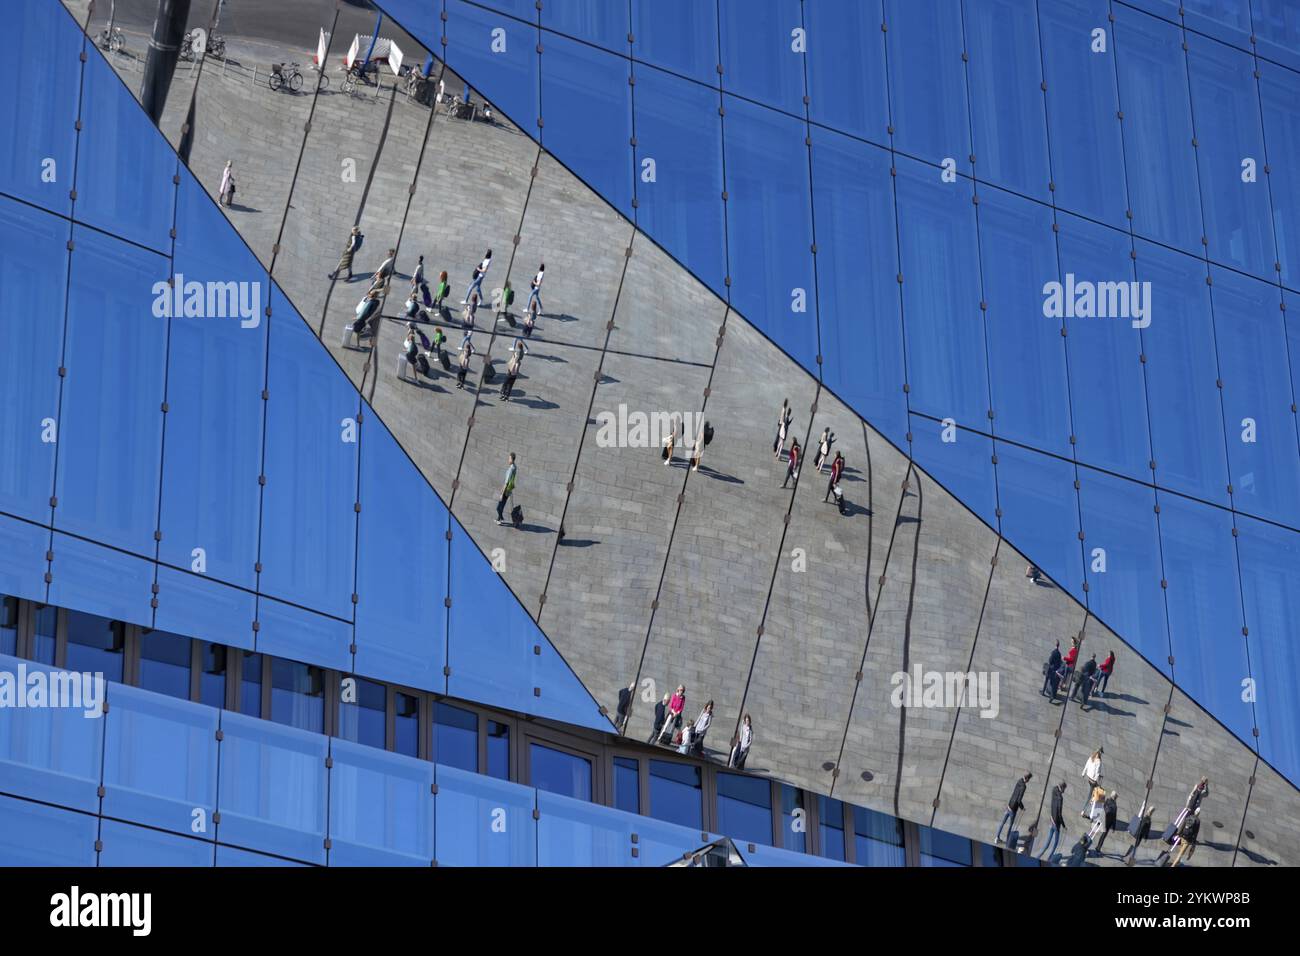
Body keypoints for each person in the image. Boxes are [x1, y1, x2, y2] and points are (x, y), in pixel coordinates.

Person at [995, 771, 1032, 845]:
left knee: (1002, 822)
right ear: (1027, 778)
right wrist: (1022, 808)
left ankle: (996, 837)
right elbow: (1019, 800)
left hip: (1009, 805)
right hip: (1013, 808)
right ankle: (1008, 840)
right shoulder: (1024, 786)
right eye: (1029, 779)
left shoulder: (1019, 780)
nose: (1029, 781)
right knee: (1010, 825)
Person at [1039, 781, 1066, 862]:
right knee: (1056, 842)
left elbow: (1053, 805)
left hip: (1051, 819)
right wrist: (1064, 825)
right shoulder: (1060, 798)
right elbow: (1059, 814)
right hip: (1056, 823)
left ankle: (1039, 855)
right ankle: (1049, 858)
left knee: (1048, 840)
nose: (1064, 791)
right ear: (1062, 788)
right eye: (1064, 789)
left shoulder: (1054, 789)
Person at [1124, 802, 1155, 866]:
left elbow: (1143, 826)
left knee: (1135, 845)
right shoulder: (1148, 819)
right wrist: (1145, 836)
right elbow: (1146, 829)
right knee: (1136, 846)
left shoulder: (1146, 816)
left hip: (1139, 833)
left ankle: (1128, 856)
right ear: (1152, 812)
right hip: (1140, 834)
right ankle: (1129, 858)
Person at [1092, 790, 1118, 856]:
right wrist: (1113, 827)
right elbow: (1114, 817)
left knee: (1095, 829)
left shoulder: (1107, 800)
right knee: (1103, 835)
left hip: (1102, 818)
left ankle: (1088, 840)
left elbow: (1103, 807)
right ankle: (1098, 847)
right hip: (1108, 823)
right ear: (1115, 798)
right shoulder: (1115, 806)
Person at [495, 452, 517, 524]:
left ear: (512, 459)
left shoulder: (511, 469)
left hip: (506, 490)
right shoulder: (515, 467)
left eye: (509, 458)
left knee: (498, 507)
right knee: (502, 505)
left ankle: (501, 518)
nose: (508, 460)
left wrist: (502, 493)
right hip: (509, 490)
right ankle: (499, 520)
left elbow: (506, 482)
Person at [1080, 749, 1103, 817]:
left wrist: (1083, 773)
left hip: (1089, 778)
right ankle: (1084, 810)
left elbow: (1086, 765)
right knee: (1090, 797)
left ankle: (1090, 804)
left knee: (1090, 795)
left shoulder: (1091, 757)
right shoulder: (1099, 761)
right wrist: (1097, 781)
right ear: (1100, 754)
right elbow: (1097, 772)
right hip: (1093, 781)